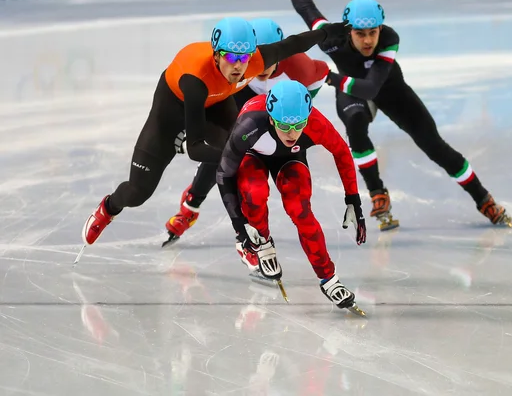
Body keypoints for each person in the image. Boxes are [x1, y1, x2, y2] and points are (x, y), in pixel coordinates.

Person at [279, 0, 512, 231]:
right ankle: (378, 193)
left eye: (373, 33)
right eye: (360, 34)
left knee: (435, 146)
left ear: (381, 29)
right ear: (348, 29)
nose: (368, 41)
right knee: (354, 124)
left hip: (389, 91)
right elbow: (306, 8)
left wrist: (331, 78)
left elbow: (371, 87)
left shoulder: (390, 39)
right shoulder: (331, 37)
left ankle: (483, 199)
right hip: (353, 91)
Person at [79, 16, 349, 254]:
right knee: (138, 192)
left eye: (244, 59)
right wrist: (238, 155)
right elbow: (196, 148)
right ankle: (109, 207)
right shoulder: (195, 78)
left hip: (218, 101)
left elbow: (295, 43)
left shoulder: (254, 61)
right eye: (231, 58)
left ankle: (245, 239)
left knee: (238, 162)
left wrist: (328, 32)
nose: (239, 67)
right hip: (174, 108)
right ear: (216, 55)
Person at [162, 18, 330, 247]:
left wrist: (303, 106)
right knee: (226, 148)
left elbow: (322, 72)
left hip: (280, 115)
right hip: (247, 99)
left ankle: (252, 225)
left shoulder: (301, 68)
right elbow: (207, 101)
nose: (257, 67)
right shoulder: (239, 70)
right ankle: (191, 206)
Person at [215, 80, 367, 313]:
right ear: (270, 118)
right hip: (253, 155)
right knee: (254, 195)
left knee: (301, 210)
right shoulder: (250, 123)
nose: (292, 133)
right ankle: (262, 243)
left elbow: (342, 152)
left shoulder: (315, 123)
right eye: (284, 126)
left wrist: (353, 199)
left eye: (299, 125)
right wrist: (240, 226)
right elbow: (224, 174)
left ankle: (329, 278)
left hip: (290, 160)